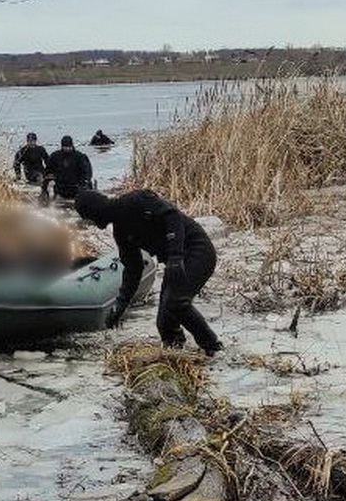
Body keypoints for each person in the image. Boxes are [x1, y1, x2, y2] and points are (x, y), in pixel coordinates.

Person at [75, 188, 222, 356]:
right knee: (165, 324)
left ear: (95, 211)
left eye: (90, 218)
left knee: (177, 303)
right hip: (175, 261)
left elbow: (172, 216)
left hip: (197, 250)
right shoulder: (121, 233)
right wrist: (121, 303)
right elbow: (133, 268)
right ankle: (177, 356)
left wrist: (175, 257)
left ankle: (214, 348)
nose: (94, 224)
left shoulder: (136, 200)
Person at [41, 135, 93, 201]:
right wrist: (46, 185)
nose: (67, 149)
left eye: (69, 147)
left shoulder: (79, 156)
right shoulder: (55, 156)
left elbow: (87, 172)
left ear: (72, 146)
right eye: (65, 147)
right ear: (62, 146)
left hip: (76, 187)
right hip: (60, 187)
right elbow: (48, 170)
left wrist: (84, 182)